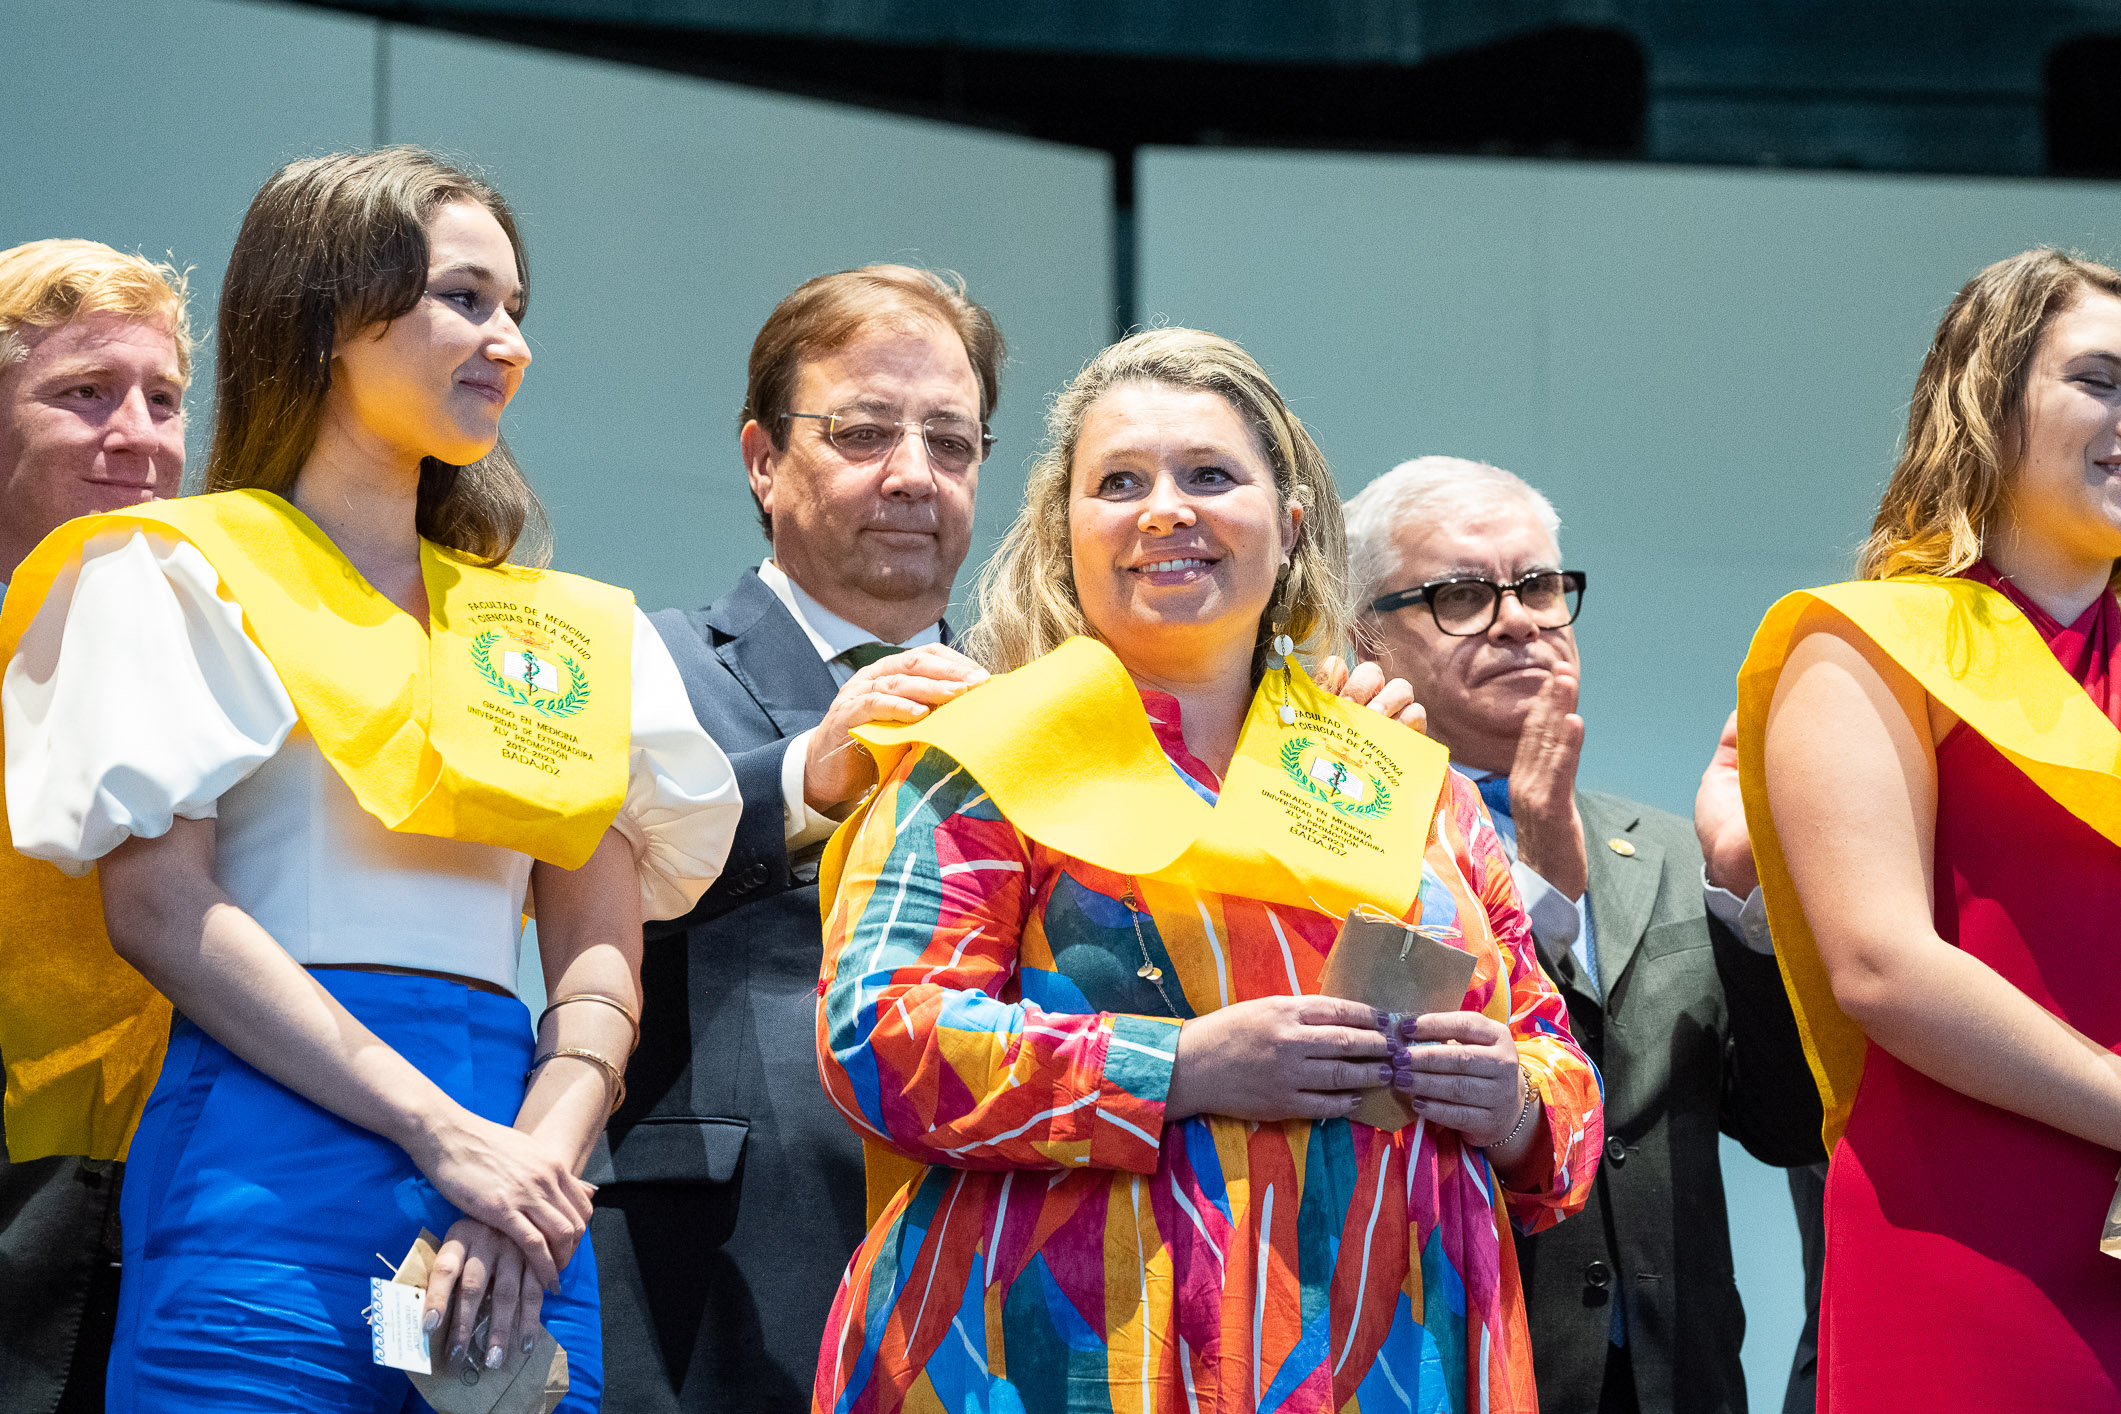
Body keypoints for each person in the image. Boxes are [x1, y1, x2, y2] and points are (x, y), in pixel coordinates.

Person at [0, 147, 742, 1412]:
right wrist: (439, 1132)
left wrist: (535, 1160)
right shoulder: (167, 567)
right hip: (263, 1160)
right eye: (463, 299)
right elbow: (160, 910)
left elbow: (597, 951)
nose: (506, 342)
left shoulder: (562, 631)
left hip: (518, 1185)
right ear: (328, 316)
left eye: (516, 309)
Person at [810, 328, 1603, 1413]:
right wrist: (1174, 1066)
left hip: (1398, 1355)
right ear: (1065, 533)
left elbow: (1556, 1062)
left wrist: (1511, 1103)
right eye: (1120, 483)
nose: (1164, 509)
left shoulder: (1409, 780)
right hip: (1067, 1359)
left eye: (1210, 476)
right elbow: (877, 1038)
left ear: (1288, 524)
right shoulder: (989, 753)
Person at [592, 264, 997, 1413]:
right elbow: (587, 895)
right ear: (763, 460)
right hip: (713, 1271)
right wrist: (803, 778)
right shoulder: (644, 660)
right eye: (864, 431)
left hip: (975, 1270)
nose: (914, 474)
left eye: (952, 443)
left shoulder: (1035, 715)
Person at [1345, 456, 1822, 1414]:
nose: (1518, 618)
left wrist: (1740, 893)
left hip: (1674, 1381)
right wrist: (1537, 882)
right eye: (1463, 595)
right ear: (1367, 639)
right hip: (1457, 1367)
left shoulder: (1665, 849)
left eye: (1538, 587)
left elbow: (1782, 1125)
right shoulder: (1347, 855)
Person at [1741, 247, 2121, 1409]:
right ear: (1988, 394)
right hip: (1971, 1223)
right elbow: (1883, 965)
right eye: (2101, 380)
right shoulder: (1862, 642)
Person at [0, 238, 190, 1414]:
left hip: (174, 1205)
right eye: (86, 394)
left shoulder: (222, 639)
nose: (142, 437)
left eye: (164, 399)